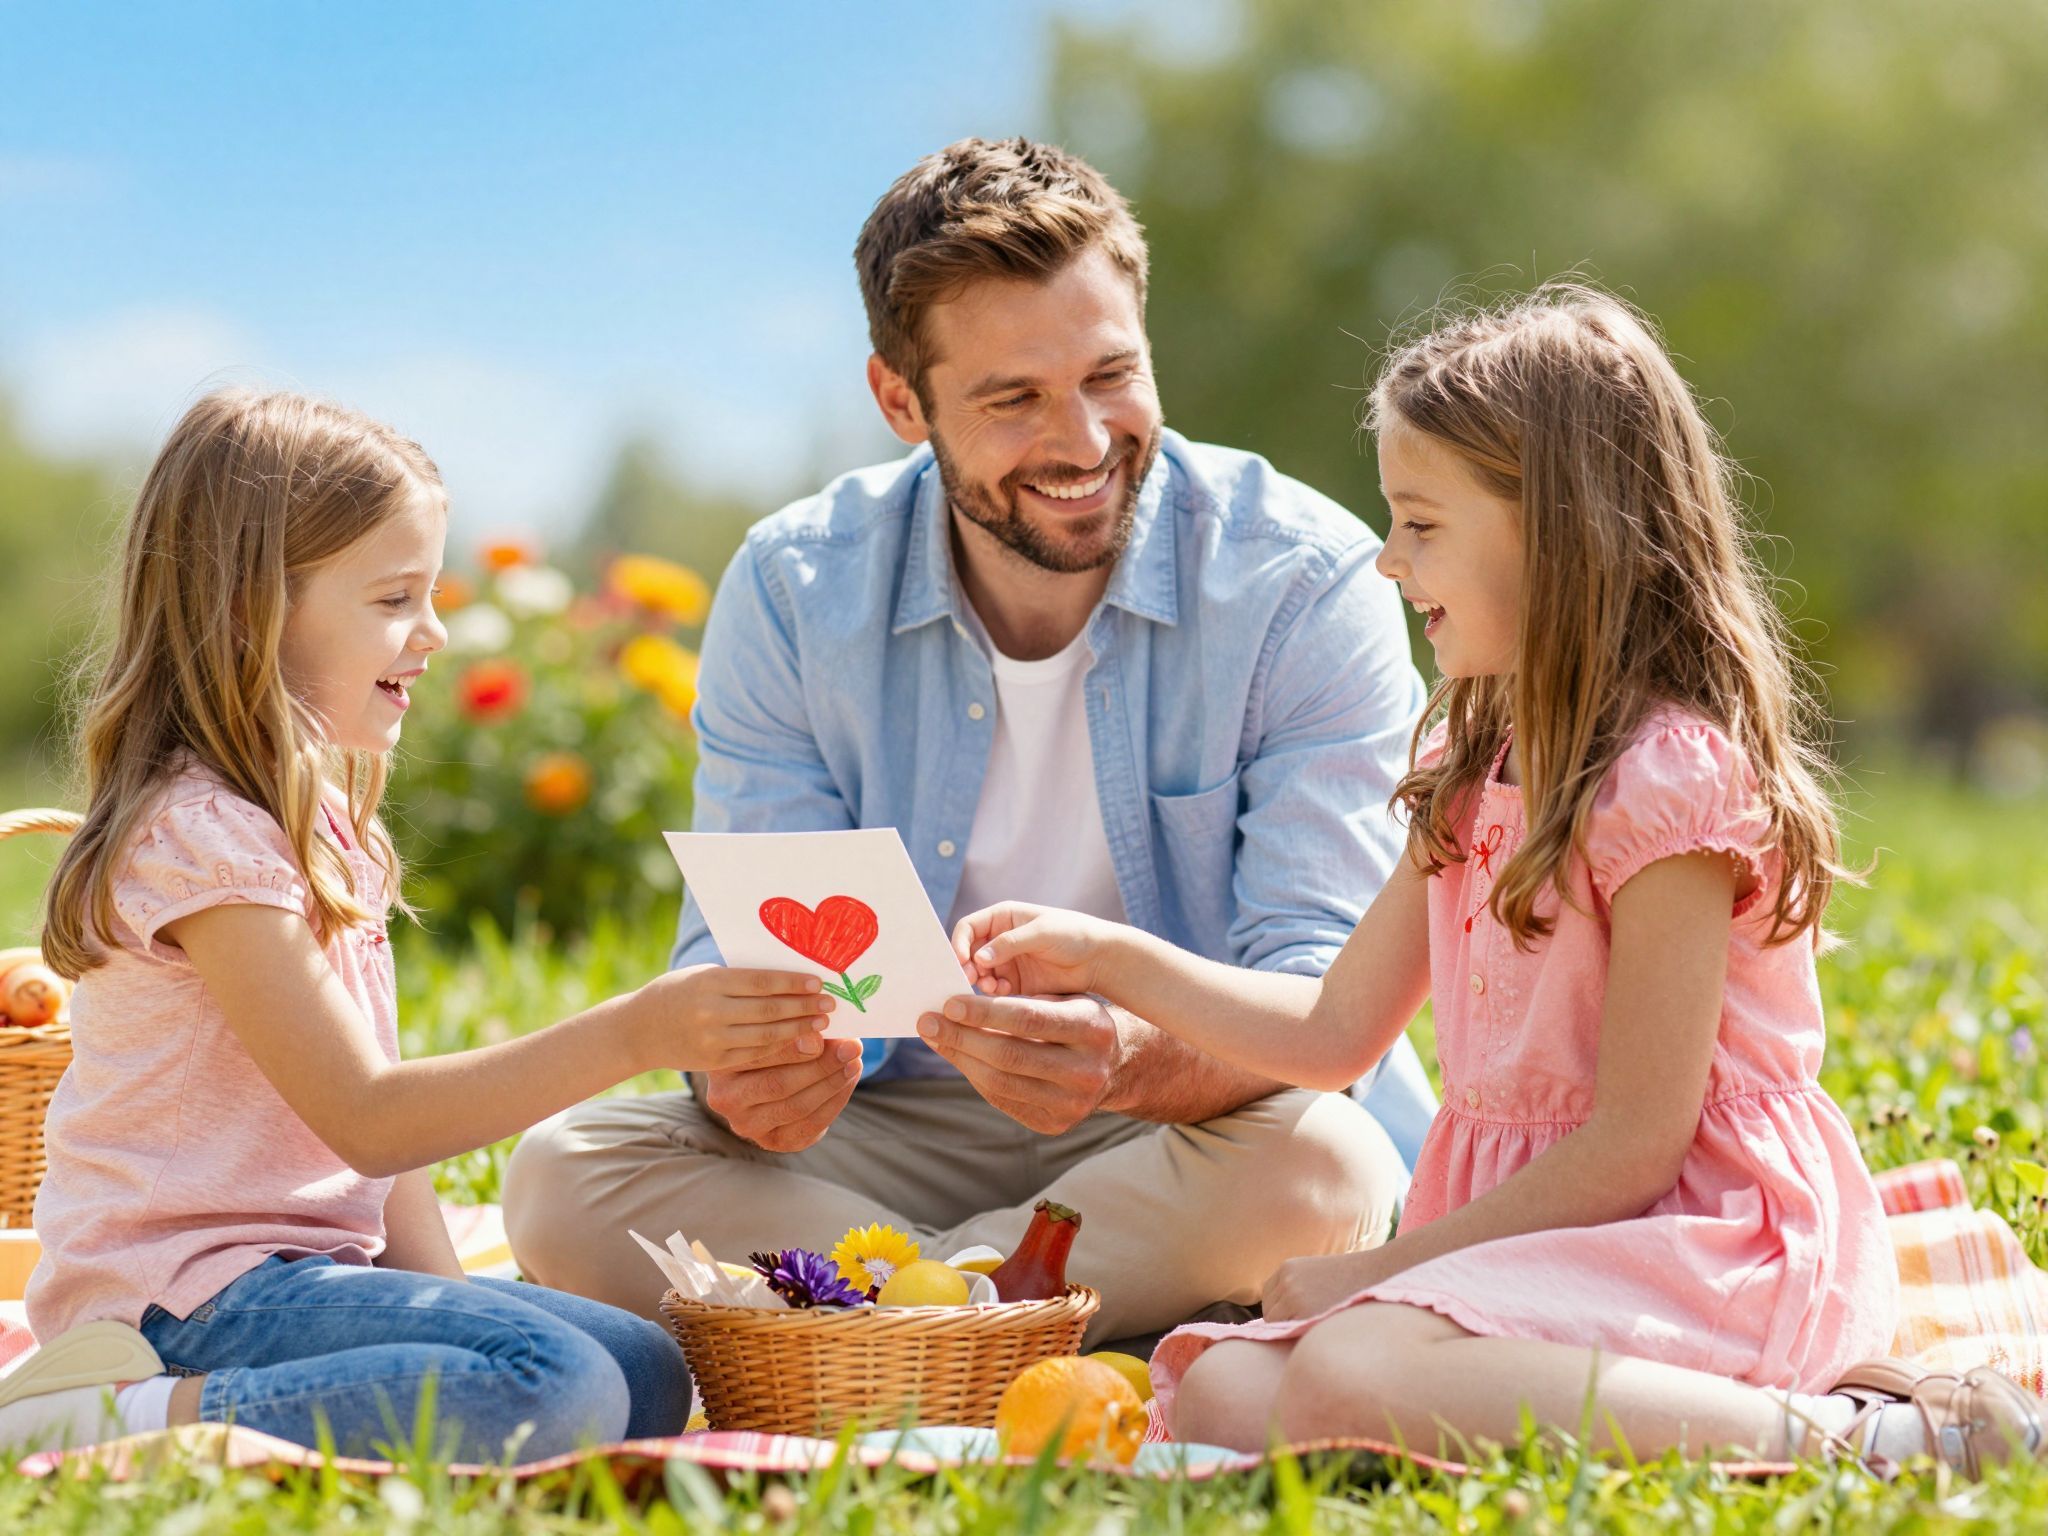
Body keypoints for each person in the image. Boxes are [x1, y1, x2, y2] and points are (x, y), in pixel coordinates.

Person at [947, 286, 2036, 1474]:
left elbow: (1634, 1143)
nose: (1386, 560)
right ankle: (1462, 1405)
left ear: (1556, 534)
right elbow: (1331, 1032)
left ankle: (1870, 1436)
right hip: (1530, 1230)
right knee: (1221, 1394)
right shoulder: (1468, 766)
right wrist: (1108, 959)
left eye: (1419, 525)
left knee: (1349, 1372)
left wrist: (1382, 1270)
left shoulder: (1666, 787)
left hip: (1699, 1236)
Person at [502, 137, 1438, 1347]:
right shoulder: (795, 587)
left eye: (1111, 375)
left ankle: (869, 1319)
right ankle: (1007, 1308)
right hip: (878, 1135)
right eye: (1013, 399)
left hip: (1177, 1128)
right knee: (560, 1177)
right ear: (902, 401)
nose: (1085, 442)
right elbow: (740, 955)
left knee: (1326, 1173)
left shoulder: (1302, 584)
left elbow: (1321, 999)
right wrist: (755, 1079)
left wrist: (1129, 1059)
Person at [0, 390, 835, 1459]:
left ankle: (307, 1399)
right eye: (395, 597)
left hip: (298, 1284)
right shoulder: (199, 837)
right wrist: (637, 1032)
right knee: (557, 1384)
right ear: (257, 608)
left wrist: (461, 1314)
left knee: (642, 1368)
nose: (433, 633)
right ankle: (99, 1414)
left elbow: (381, 1162)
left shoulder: (323, 827)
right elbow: (372, 1119)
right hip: (180, 1299)